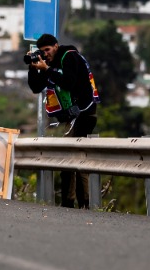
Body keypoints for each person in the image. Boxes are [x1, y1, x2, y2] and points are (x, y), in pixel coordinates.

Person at [26, 33, 100, 209]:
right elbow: (36, 87)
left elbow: (68, 82)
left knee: (73, 157)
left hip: (85, 113)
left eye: (48, 50)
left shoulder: (69, 57)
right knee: (72, 157)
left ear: (56, 46)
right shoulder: (50, 65)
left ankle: (80, 202)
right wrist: (33, 67)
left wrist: (47, 69)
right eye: (42, 52)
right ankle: (75, 202)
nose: (46, 54)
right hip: (72, 117)